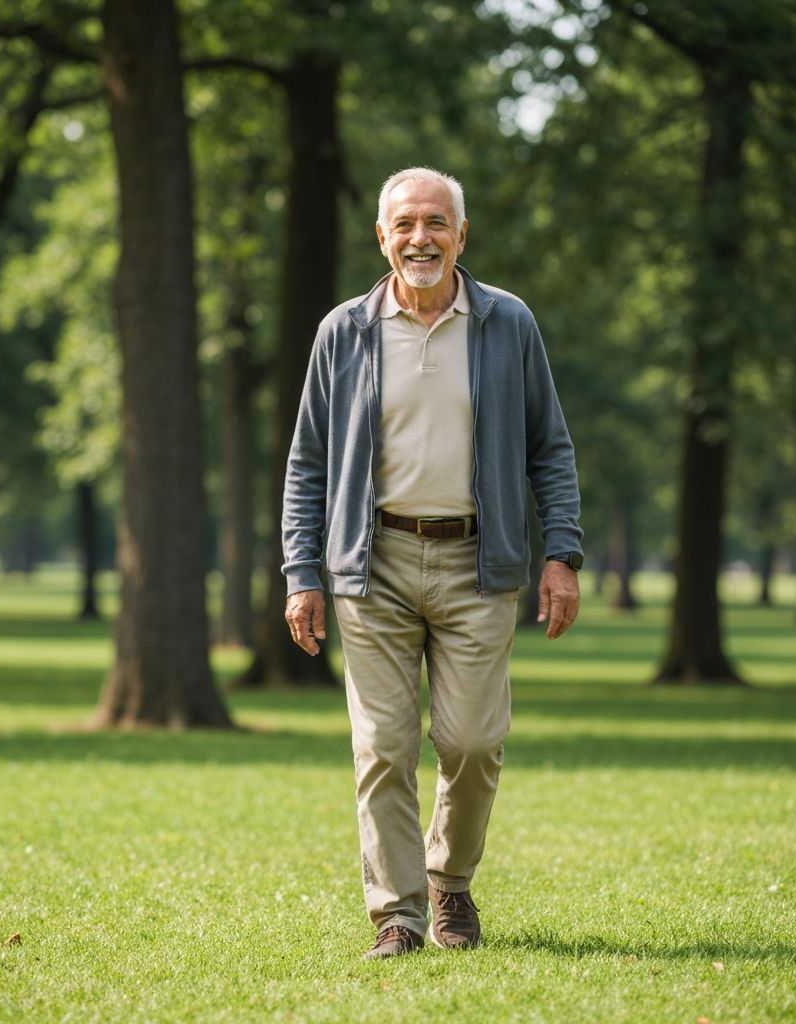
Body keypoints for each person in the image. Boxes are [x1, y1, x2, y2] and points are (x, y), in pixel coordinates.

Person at [282, 167, 583, 960]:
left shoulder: (506, 324)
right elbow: (307, 463)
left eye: (436, 223)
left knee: (473, 742)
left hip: (480, 563)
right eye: (405, 224)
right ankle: (399, 914)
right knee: (383, 746)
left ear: (461, 235)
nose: (422, 238)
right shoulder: (343, 331)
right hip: (370, 562)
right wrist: (301, 572)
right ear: (381, 237)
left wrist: (562, 554)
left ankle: (450, 887)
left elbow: (549, 447)